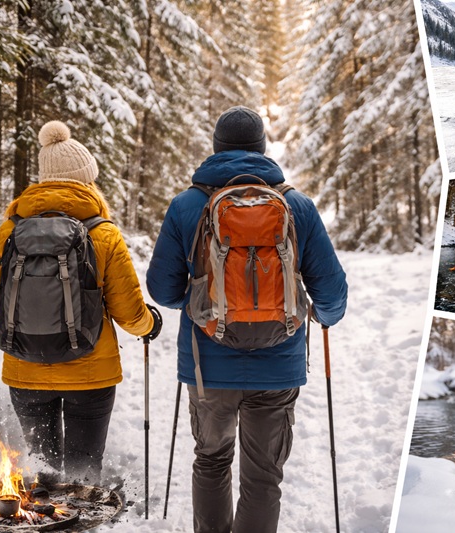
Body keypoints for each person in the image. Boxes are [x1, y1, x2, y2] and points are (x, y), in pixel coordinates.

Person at [146, 106, 348, 533]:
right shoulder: (297, 205)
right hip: (279, 364)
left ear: (216, 148)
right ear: (262, 149)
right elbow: (331, 292)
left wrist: (200, 301)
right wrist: (322, 315)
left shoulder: (186, 205)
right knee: (263, 475)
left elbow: (161, 290)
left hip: (208, 366)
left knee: (212, 459)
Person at [0, 121, 161, 484]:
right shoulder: (102, 233)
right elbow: (129, 313)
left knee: (43, 469)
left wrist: (21, 331)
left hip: (24, 369)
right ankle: (80, 515)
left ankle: (42, 516)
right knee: (82, 472)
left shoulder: (11, 231)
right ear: (87, 181)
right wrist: (151, 324)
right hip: (90, 372)